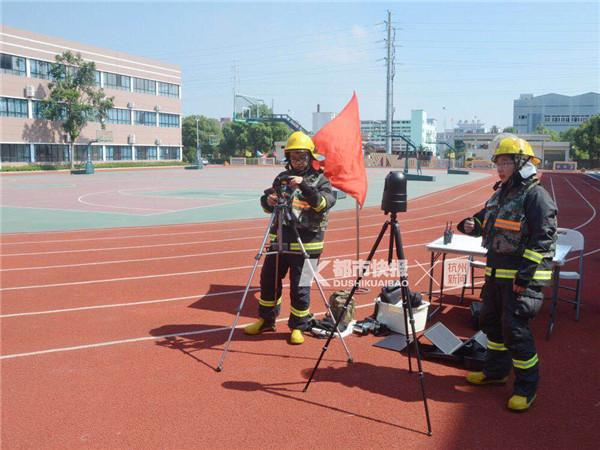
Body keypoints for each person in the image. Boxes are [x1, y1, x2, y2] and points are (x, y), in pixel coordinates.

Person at [457, 134, 557, 411]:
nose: (500, 168)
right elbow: (485, 220)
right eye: (498, 163)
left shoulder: (536, 196)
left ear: (522, 163)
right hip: (496, 273)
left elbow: (543, 238)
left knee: (515, 331)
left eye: (505, 162)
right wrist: (471, 224)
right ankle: (495, 372)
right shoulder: (500, 194)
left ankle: (526, 388)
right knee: (491, 324)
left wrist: (524, 276)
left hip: (521, 277)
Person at [244, 131, 336, 345]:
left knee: (300, 287)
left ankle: (298, 327)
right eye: (293, 157)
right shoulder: (282, 178)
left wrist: (303, 184)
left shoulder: (322, 180)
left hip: (308, 243)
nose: (297, 161)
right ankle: (266, 320)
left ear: (310, 157)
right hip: (281, 240)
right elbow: (267, 205)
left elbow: (322, 203)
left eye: (302, 157)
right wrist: (269, 200)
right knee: (268, 281)